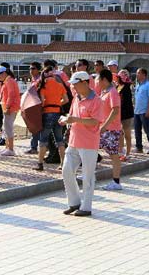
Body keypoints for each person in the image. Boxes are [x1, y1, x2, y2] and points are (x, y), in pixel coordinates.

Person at [60, 71, 105, 217]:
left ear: (85, 82)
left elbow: (95, 121)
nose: (73, 87)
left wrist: (75, 120)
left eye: (75, 84)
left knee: (88, 176)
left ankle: (86, 207)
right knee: (66, 170)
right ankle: (74, 202)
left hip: (89, 143)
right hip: (73, 141)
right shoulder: (75, 98)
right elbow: (73, 117)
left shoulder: (97, 100)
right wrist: (66, 120)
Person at [33, 66, 69, 171]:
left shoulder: (43, 86)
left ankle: (40, 164)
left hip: (47, 114)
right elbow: (66, 100)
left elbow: (43, 101)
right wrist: (57, 104)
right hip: (58, 114)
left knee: (43, 140)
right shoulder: (60, 85)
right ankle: (63, 164)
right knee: (59, 140)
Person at [98, 69, 123, 190]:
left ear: (103, 79)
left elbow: (115, 110)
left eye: (98, 79)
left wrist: (105, 125)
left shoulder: (112, 92)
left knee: (114, 155)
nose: (97, 82)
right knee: (91, 148)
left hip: (111, 129)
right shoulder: (104, 92)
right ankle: (89, 174)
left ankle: (116, 181)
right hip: (103, 128)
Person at [0, 66, 20, 156]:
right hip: (9, 107)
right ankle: (7, 147)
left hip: (10, 108)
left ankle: (10, 149)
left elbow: (11, 95)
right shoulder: (9, 80)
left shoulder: (9, 81)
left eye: (0, 75)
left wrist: (8, 107)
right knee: (6, 127)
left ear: (4, 73)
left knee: (8, 128)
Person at [134, 68, 149, 154]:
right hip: (137, 111)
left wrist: (148, 110)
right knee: (137, 130)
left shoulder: (148, 85)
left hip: (144, 111)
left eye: (139, 73)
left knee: (147, 130)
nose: (137, 75)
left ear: (144, 75)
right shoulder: (138, 85)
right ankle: (139, 147)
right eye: (137, 73)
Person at [25, 61, 43, 155]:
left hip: (39, 106)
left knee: (37, 127)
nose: (31, 70)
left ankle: (35, 147)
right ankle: (34, 146)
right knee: (35, 127)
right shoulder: (33, 79)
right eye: (30, 69)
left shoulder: (40, 79)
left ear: (38, 69)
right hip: (33, 105)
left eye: (33, 68)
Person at [117, 70, 134, 162]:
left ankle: (128, 153)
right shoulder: (117, 86)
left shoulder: (127, 86)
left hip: (126, 113)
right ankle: (120, 151)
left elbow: (126, 101)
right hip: (119, 113)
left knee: (127, 134)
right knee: (120, 133)